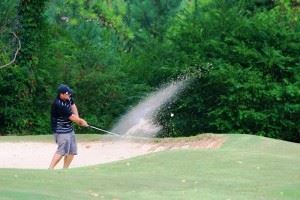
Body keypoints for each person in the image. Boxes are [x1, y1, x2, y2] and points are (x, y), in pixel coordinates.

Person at [49, 84, 88, 169]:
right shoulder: (59, 104)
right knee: (62, 151)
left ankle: (65, 170)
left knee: (72, 151)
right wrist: (81, 122)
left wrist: (79, 119)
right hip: (60, 130)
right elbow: (72, 117)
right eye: (67, 94)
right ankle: (50, 169)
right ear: (61, 94)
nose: (69, 95)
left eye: (69, 94)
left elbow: (73, 106)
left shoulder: (68, 98)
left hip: (69, 129)